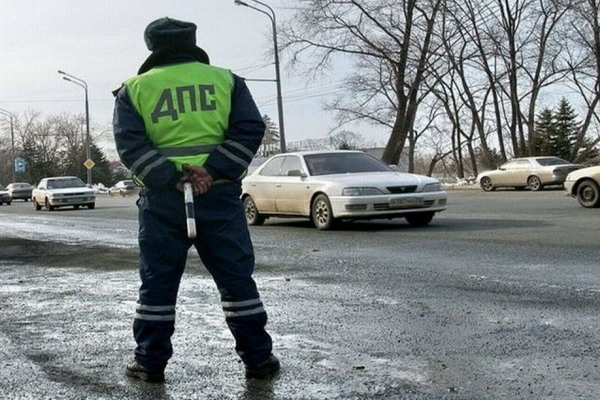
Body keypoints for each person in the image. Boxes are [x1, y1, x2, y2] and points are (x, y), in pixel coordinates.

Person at [112, 17, 279, 383]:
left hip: (163, 202)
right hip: (217, 196)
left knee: (157, 284)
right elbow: (248, 129)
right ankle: (259, 359)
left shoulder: (134, 89)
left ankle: (150, 363)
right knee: (237, 280)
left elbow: (130, 145)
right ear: (192, 42)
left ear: (152, 47)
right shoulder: (227, 80)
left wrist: (171, 178)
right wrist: (212, 171)